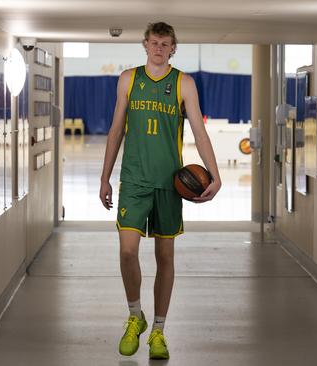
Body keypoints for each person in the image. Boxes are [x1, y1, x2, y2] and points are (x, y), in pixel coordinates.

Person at [99, 21, 221, 360]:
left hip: (169, 184)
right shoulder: (128, 79)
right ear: (145, 45)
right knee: (126, 253)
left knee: (165, 257)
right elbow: (115, 130)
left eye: (165, 43)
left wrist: (215, 175)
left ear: (172, 48)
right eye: (154, 42)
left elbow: (199, 131)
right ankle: (134, 314)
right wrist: (104, 177)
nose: (158, 48)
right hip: (134, 180)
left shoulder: (184, 83)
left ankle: (158, 330)